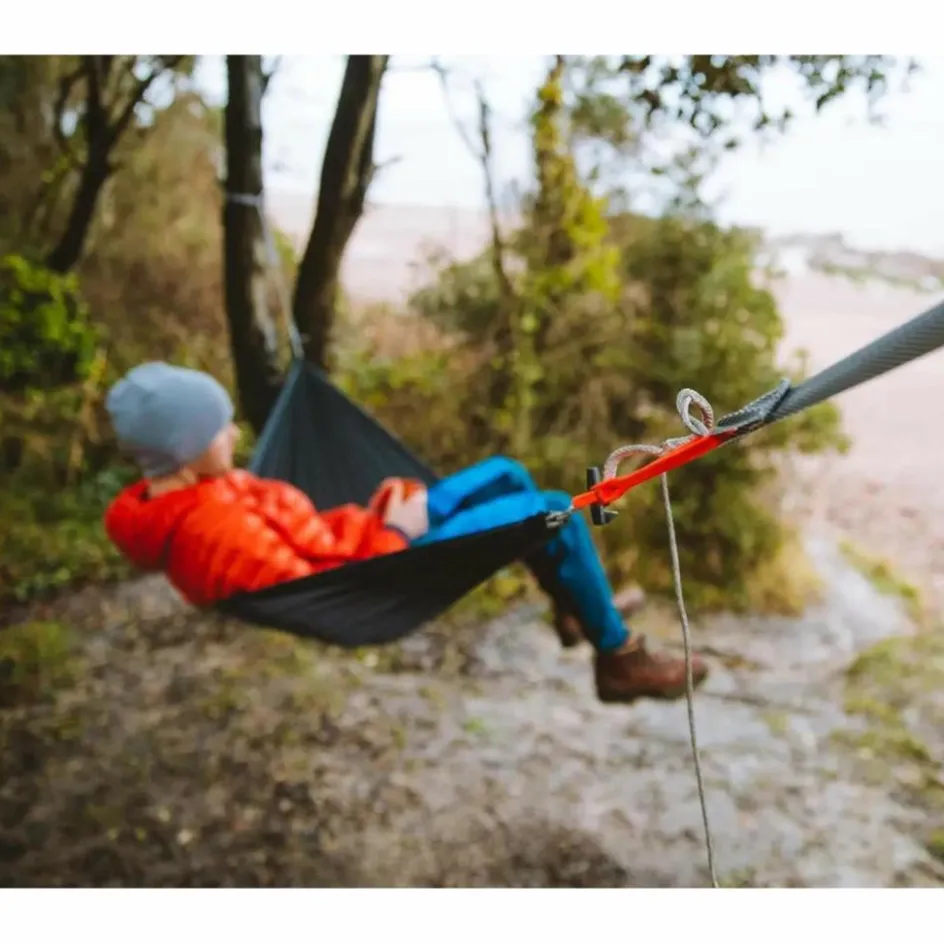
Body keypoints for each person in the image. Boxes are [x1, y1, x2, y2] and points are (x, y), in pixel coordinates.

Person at [103, 362, 709, 704]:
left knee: (505, 473)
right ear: (183, 449)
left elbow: (308, 532)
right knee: (548, 509)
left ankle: (576, 609)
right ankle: (617, 658)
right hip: (381, 574)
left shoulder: (199, 491)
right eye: (218, 429)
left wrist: (382, 511)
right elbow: (320, 582)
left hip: (372, 538)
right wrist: (394, 530)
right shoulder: (210, 529)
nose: (233, 434)